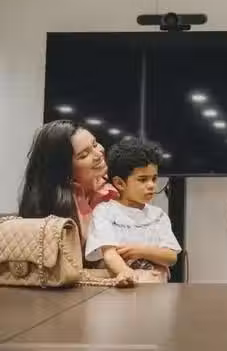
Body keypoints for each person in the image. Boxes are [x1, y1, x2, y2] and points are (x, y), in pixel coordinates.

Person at [85, 137, 181, 283]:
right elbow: (109, 254)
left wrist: (141, 251)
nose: (151, 185)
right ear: (119, 183)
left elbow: (171, 257)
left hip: (155, 289)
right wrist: (126, 273)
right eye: (143, 179)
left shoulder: (158, 215)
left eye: (154, 179)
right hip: (121, 287)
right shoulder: (104, 211)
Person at [18, 120, 118, 245]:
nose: (98, 154)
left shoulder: (113, 191)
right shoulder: (55, 212)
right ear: (63, 169)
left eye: (95, 144)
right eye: (84, 155)